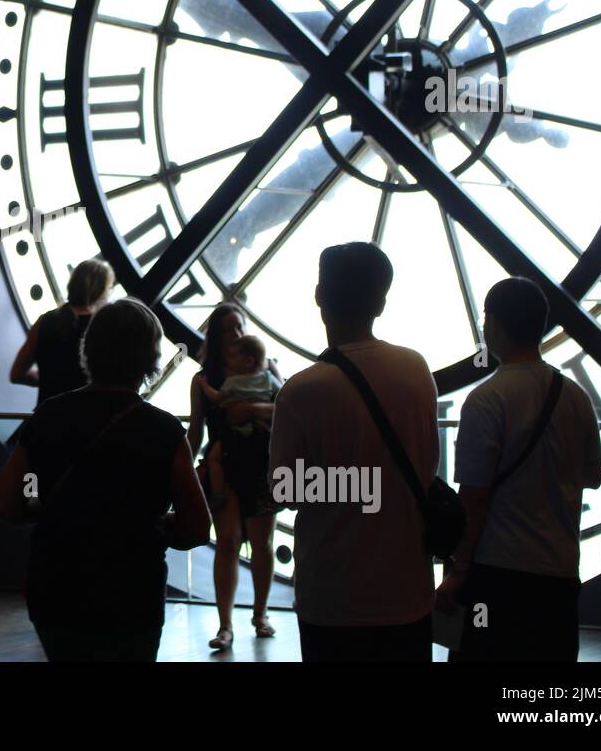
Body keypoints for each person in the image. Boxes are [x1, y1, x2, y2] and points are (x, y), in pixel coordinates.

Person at [0, 298, 210, 661]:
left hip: (57, 590)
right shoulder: (164, 431)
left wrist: (53, 510)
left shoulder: (50, 416)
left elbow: (3, 502)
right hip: (132, 595)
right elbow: (198, 529)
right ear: (150, 357)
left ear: (89, 348)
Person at [269, 242, 439, 662]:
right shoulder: (416, 370)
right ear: (380, 303)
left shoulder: (302, 391)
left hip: (333, 597)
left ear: (320, 296)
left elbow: (285, 490)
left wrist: (357, 483)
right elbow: (426, 466)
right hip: (407, 591)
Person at [438, 277, 601, 661]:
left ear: (493, 324)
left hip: (498, 573)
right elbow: (591, 476)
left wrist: (458, 571)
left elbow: (474, 498)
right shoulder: (575, 397)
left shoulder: (485, 400)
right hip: (559, 573)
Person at [187, 303, 279, 650]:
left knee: (231, 541)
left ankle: (230, 625)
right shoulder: (266, 369)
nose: (237, 335)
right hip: (257, 461)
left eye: (238, 328)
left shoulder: (204, 380)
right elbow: (284, 405)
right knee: (255, 543)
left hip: (224, 460)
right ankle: (258, 615)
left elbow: (197, 429)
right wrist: (256, 410)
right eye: (231, 329)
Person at [197, 334, 283, 512]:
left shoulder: (232, 382)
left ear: (248, 361)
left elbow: (217, 397)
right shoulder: (267, 377)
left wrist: (203, 386)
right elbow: (284, 396)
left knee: (214, 459)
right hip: (262, 436)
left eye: (234, 356)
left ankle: (218, 494)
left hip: (235, 435)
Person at [10, 258, 114, 404]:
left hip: (46, 416)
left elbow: (17, 374)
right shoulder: (103, 328)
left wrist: (49, 378)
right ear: (102, 293)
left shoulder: (44, 321)